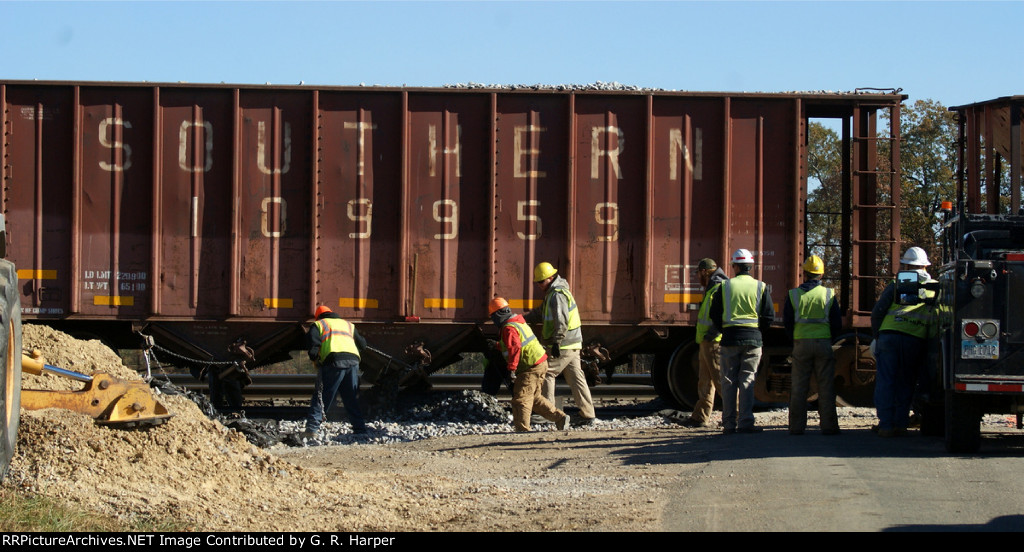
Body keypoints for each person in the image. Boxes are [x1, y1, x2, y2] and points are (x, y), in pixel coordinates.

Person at [870, 246, 938, 437]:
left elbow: (877, 312)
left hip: (889, 337)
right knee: (906, 382)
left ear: (906, 265)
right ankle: (901, 424)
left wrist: (878, 336)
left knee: (886, 381)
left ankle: (885, 425)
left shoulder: (899, 283)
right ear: (925, 265)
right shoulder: (935, 286)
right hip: (914, 340)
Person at [710, 248, 774, 434]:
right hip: (753, 339)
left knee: (728, 381)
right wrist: (757, 331)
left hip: (730, 338)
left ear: (735, 266)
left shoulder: (725, 286)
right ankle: (746, 422)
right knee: (747, 380)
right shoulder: (760, 286)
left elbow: (715, 314)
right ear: (750, 267)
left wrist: (726, 330)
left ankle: (729, 424)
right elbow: (769, 316)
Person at [525, 262, 596, 426]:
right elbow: (539, 313)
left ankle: (548, 413)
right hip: (572, 343)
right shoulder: (553, 293)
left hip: (563, 344)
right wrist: (520, 319)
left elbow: (562, 321)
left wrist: (556, 342)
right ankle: (588, 415)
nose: (539, 285)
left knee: (546, 373)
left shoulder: (557, 295)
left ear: (550, 278)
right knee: (576, 377)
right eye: (538, 282)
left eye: (541, 281)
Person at [490, 296, 570, 432]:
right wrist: (497, 345)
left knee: (521, 399)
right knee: (534, 399)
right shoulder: (517, 322)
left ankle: (522, 430)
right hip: (539, 363)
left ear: (497, 315)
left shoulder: (509, 328)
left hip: (530, 366)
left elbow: (515, 348)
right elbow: (514, 344)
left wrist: (511, 369)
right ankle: (560, 418)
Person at [784, 255, 843, 435]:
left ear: (805, 274)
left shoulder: (793, 295)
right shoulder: (828, 294)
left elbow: (787, 323)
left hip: (801, 344)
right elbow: (836, 323)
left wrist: (795, 339)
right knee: (826, 386)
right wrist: (829, 339)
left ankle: (796, 426)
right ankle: (829, 425)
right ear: (821, 275)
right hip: (823, 343)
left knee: (799, 387)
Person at [301, 305, 367, 438]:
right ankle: (360, 429)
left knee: (322, 396)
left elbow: (314, 346)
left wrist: (316, 358)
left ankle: (312, 429)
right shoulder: (348, 325)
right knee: (350, 397)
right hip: (353, 362)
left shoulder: (319, 324)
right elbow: (363, 344)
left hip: (334, 362)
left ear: (318, 316)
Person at [681, 258, 728, 428]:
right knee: (705, 381)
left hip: (714, 341)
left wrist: (713, 333)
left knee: (721, 380)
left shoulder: (718, 287)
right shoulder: (713, 287)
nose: (698, 277)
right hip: (707, 341)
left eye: (699, 273)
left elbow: (722, 313)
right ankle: (700, 417)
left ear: (704, 272)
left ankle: (735, 415)